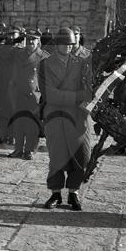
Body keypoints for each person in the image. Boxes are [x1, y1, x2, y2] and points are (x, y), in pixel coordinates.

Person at [39, 27, 93, 211]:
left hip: (78, 117)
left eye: (71, 44)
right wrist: (77, 96)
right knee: (57, 156)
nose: (68, 47)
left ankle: (73, 192)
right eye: (64, 44)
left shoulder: (81, 63)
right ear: (57, 44)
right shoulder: (45, 64)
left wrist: (80, 96)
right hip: (55, 116)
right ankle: (55, 193)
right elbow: (50, 94)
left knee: (81, 156)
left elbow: (88, 89)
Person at [8, 30, 48, 159]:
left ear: (38, 41)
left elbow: (47, 79)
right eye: (29, 39)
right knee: (18, 122)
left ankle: (30, 150)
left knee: (32, 124)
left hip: (34, 96)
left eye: (33, 39)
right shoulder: (18, 53)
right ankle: (18, 149)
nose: (30, 42)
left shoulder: (43, 56)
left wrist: (44, 96)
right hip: (18, 92)